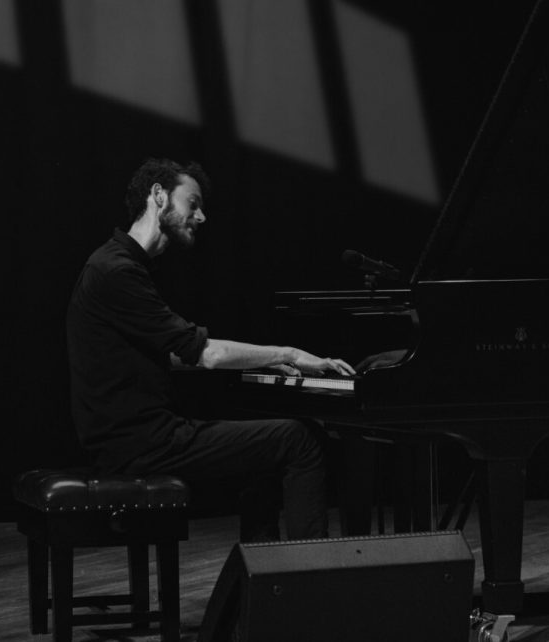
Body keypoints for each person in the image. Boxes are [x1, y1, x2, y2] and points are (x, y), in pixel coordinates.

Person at [66, 157, 355, 542]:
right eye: (193, 203)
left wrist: (253, 364)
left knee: (268, 450)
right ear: (159, 196)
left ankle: (265, 576)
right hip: (140, 444)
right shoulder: (118, 271)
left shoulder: (117, 264)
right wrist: (286, 353)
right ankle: (311, 581)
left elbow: (167, 355)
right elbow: (204, 353)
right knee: (301, 439)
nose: (201, 217)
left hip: (129, 439)